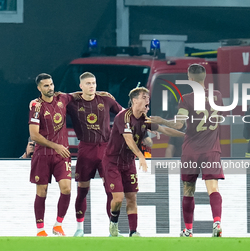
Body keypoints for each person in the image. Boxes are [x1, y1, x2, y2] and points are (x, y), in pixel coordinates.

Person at [150, 64, 224, 237]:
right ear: (204, 77)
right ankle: (217, 222)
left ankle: (189, 230)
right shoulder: (217, 96)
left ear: (190, 79)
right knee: (213, 188)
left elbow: (179, 124)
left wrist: (162, 121)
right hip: (212, 150)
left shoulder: (186, 98)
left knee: (188, 189)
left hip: (191, 150)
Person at [103, 87, 184, 237]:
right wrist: (141, 156)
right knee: (118, 198)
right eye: (144, 97)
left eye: (148, 97)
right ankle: (113, 223)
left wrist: (187, 136)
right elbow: (128, 140)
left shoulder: (144, 119)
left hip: (128, 163)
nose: (148, 100)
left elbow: (165, 130)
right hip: (112, 162)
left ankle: (133, 232)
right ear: (135, 100)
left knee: (132, 197)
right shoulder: (123, 117)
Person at [66, 72, 123, 237]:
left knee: (110, 191)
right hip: (86, 149)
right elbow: (57, 101)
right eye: (88, 83)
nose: (92, 86)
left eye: (94, 83)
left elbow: (123, 114)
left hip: (106, 150)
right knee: (82, 190)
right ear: (81, 86)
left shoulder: (105, 99)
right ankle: (79, 229)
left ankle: (113, 228)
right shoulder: (72, 102)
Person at [29, 73, 73, 237]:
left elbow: (78, 95)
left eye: (51, 84)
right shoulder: (36, 105)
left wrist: (100, 94)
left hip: (62, 155)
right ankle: (40, 230)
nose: (50, 88)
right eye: (46, 86)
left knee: (66, 189)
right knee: (42, 192)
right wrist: (56, 146)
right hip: (43, 154)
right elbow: (34, 135)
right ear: (39, 88)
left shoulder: (62, 98)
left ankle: (58, 225)